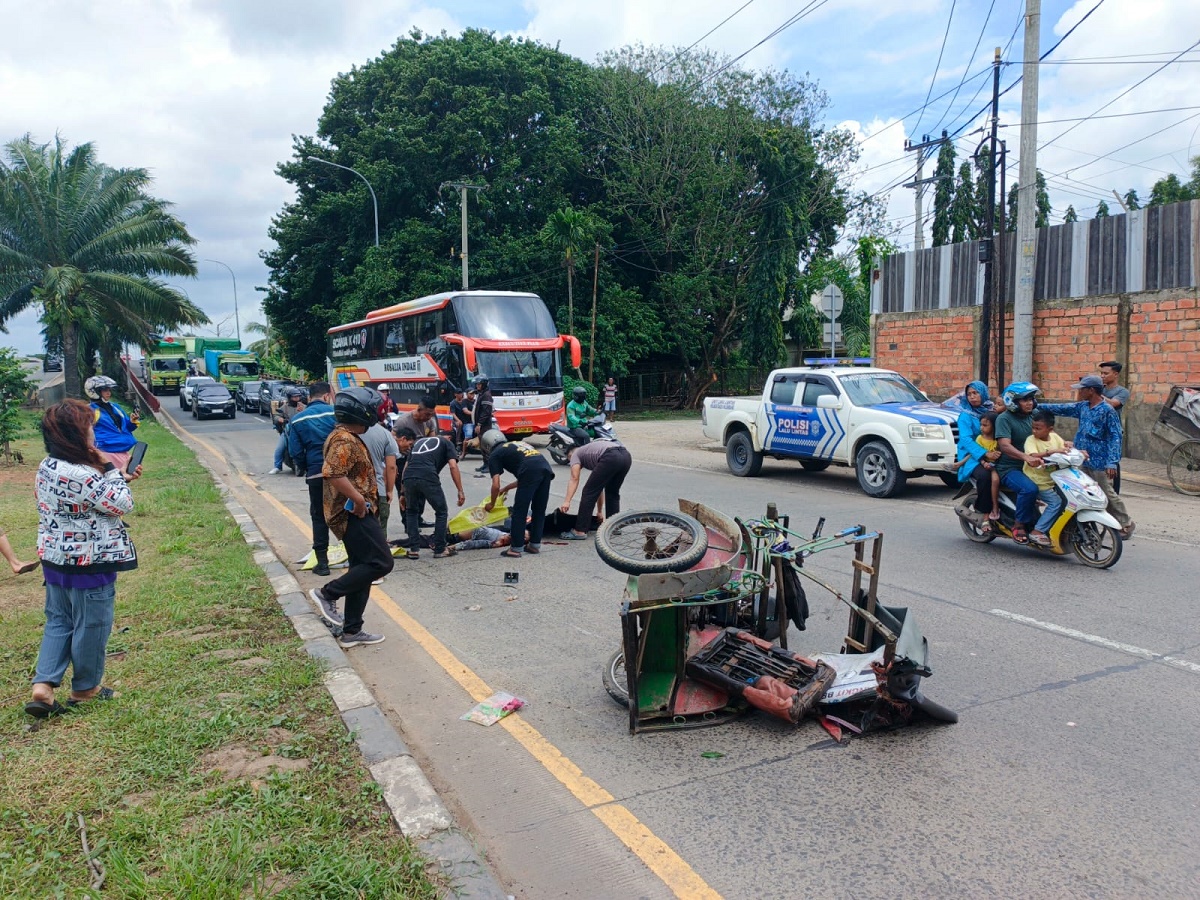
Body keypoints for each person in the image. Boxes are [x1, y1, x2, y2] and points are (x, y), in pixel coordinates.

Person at [25, 400, 142, 718]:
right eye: (88, 426)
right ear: (76, 434)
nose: (93, 431)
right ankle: (85, 688)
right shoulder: (82, 473)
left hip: (55, 558)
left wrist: (110, 476)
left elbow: (85, 499)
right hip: (89, 561)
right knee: (93, 624)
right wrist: (111, 470)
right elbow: (122, 504)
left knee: (59, 620)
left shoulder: (48, 465)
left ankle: (43, 686)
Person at [307, 387, 393, 648]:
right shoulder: (344, 439)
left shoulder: (348, 436)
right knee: (381, 563)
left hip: (360, 510)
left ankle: (352, 631)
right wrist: (357, 499)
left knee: (362, 569)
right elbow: (332, 472)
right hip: (353, 513)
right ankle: (327, 593)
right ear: (362, 412)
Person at [1040, 374, 1136, 539]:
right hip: (1081, 458)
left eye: (1082, 389)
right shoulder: (1083, 407)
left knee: (1106, 493)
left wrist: (1112, 462)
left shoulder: (1107, 410)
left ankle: (1125, 523)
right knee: (1080, 492)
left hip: (1100, 461)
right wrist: (1037, 405)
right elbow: (1062, 409)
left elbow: (1115, 436)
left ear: (1091, 390)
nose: (1080, 392)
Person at [288, 382, 337, 575]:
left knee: (319, 517)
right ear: (326, 396)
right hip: (341, 474)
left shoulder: (298, 420)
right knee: (347, 515)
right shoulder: (336, 414)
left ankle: (323, 563)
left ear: (310, 397)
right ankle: (355, 558)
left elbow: (295, 452)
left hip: (316, 473)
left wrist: (308, 466)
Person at [481, 429, 554, 558]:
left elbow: (495, 484)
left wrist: (491, 504)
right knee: (539, 510)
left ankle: (515, 548)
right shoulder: (516, 444)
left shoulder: (495, 454)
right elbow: (529, 475)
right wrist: (507, 488)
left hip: (529, 471)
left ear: (487, 445)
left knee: (520, 511)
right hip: (545, 468)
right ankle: (534, 545)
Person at [395, 426, 465, 559]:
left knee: (411, 511)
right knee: (441, 511)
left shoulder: (419, 443)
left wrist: (403, 493)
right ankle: (440, 549)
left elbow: (406, 467)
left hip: (409, 477)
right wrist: (460, 490)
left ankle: (414, 549)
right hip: (427, 475)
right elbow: (453, 466)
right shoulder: (447, 443)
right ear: (450, 438)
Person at [994, 382, 1045, 544]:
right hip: (1010, 468)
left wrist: (1064, 446)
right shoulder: (1004, 419)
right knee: (1029, 489)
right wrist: (1025, 457)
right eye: (1024, 400)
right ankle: (1019, 525)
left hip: (1032, 465)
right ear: (1013, 402)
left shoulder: (1035, 415)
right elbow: (1005, 446)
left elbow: (1048, 435)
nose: (1029, 402)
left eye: (1031, 399)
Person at [559, 437, 632, 540]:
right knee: (612, 493)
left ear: (570, 455)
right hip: (625, 456)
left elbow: (574, 478)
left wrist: (567, 501)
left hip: (610, 456)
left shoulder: (575, 454)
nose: (572, 464)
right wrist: (599, 511)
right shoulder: (590, 452)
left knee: (588, 492)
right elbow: (598, 488)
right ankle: (615, 526)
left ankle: (580, 531)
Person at [952, 380, 1000, 519]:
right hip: (971, 456)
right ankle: (983, 513)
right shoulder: (965, 415)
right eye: (969, 394)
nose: (972, 397)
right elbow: (966, 440)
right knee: (985, 476)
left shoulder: (991, 410)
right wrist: (985, 453)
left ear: (984, 393)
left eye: (975, 393)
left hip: (992, 451)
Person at [1023, 410, 1068, 547]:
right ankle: (1038, 531)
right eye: (1033, 428)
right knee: (1056, 503)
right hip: (1037, 480)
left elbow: (1064, 448)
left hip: (1055, 479)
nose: (1034, 431)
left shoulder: (1055, 438)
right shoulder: (1030, 440)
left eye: (1038, 428)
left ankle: (1055, 528)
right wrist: (1051, 452)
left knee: (1067, 501)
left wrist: (1076, 451)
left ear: (1050, 429)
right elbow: (1033, 455)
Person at [86, 375, 139, 472]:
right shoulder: (90, 411)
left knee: (124, 480)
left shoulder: (115, 407)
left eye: (109, 390)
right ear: (95, 392)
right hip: (106, 451)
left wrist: (132, 421)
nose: (108, 393)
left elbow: (126, 428)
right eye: (104, 390)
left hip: (122, 450)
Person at [360, 414, 399, 539]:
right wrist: (389, 491)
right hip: (378, 488)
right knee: (380, 527)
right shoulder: (385, 434)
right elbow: (391, 467)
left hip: (353, 487)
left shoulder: (350, 431)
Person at [1099, 361, 1130, 492]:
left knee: (1113, 463)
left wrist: (1096, 393)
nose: (1102, 376)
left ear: (1115, 374)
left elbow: (1112, 404)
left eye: (1106, 373)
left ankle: (1114, 494)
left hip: (1112, 434)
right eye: (1101, 373)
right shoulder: (1100, 388)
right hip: (1098, 431)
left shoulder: (1122, 392)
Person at [268, 388, 306, 474]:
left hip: (302, 431)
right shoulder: (284, 407)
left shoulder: (303, 407)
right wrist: (280, 419)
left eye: (298, 397)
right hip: (288, 431)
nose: (297, 399)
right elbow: (276, 415)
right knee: (280, 448)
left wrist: (303, 411)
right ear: (289, 397)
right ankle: (277, 466)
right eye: (294, 397)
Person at [471, 375, 495, 473]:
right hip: (480, 425)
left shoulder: (486, 395)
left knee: (486, 445)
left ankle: (489, 465)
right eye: (477, 384)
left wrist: (480, 423)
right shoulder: (481, 394)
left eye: (479, 384)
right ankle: (485, 464)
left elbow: (486, 412)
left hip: (484, 425)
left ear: (484, 384)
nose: (477, 386)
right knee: (482, 446)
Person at [449, 387, 473, 453]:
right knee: (459, 424)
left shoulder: (465, 401)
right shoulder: (453, 403)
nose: (460, 395)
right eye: (458, 393)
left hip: (466, 420)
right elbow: (453, 413)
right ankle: (458, 442)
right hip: (457, 420)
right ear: (455, 394)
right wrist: (458, 420)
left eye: (461, 393)